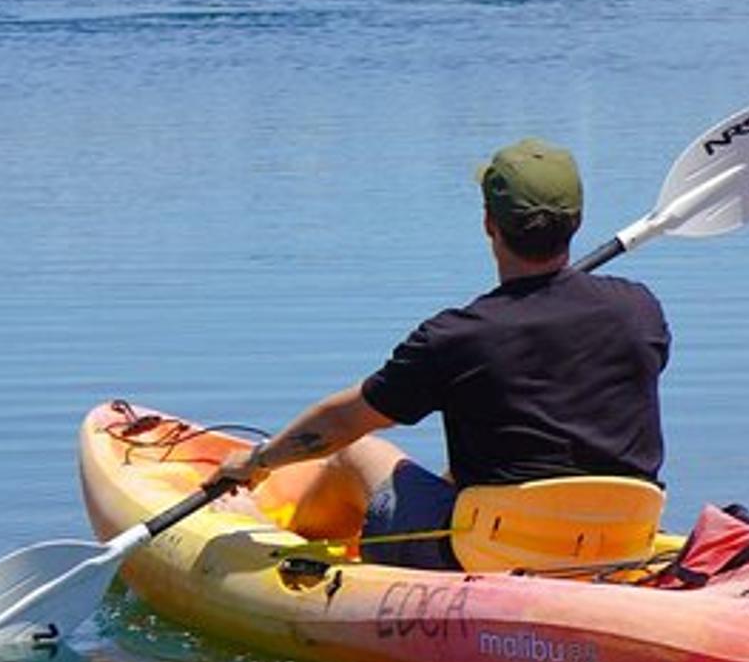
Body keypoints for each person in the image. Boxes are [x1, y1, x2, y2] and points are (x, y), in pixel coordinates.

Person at [218, 138, 670, 570]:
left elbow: (342, 422)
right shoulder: (640, 310)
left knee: (357, 453)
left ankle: (287, 552)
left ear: (489, 222)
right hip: (622, 543)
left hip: (489, 552)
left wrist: (257, 460)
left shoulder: (456, 338)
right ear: (577, 221)